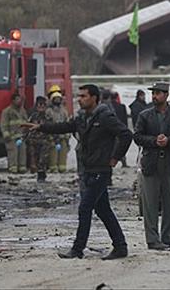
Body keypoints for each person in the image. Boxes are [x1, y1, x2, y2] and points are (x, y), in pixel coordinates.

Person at [26, 84, 132, 260]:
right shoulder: (83, 117)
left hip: (101, 169)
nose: (79, 99)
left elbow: (126, 135)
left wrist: (115, 157)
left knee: (85, 208)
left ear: (94, 98)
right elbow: (65, 127)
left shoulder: (105, 116)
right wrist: (41, 127)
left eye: (83, 96)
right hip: (88, 168)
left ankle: (77, 249)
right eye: (79, 96)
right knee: (103, 210)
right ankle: (120, 246)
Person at [134, 82, 170, 251]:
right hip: (151, 163)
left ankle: (168, 238)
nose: (154, 96)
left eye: (158, 93)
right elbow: (137, 136)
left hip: (169, 163)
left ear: (166, 95)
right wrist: (154, 141)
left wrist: (169, 141)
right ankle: (152, 240)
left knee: (169, 204)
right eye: (153, 93)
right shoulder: (145, 115)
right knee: (150, 205)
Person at [0, 93, 28, 174]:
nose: (19, 101)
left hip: (21, 136)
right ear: (13, 101)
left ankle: (22, 167)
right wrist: (6, 134)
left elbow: (26, 122)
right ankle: (13, 167)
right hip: (11, 137)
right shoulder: (7, 111)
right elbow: (3, 124)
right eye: (17, 99)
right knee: (13, 152)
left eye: (20, 99)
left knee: (22, 152)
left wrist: (26, 133)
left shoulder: (23, 111)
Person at [27, 97, 52, 182]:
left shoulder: (48, 117)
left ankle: (42, 175)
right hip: (34, 141)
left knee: (43, 159)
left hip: (45, 141)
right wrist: (24, 137)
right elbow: (28, 127)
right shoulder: (33, 116)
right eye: (39, 105)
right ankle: (39, 173)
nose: (41, 107)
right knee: (36, 158)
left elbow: (53, 128)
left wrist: (55, 140)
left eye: (43, 105)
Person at [47, 90, 70, 173]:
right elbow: (47, 124)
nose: (57, 100)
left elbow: (68, 123)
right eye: (55, 98)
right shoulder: (49, 111)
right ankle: (53, 167)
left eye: (59, 99)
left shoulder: (64, 111)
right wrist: (50, 136)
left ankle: (62, 167)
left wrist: (67, 135)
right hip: (53, 136)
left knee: (63, 152)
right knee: (53, 152)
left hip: (63, 136)